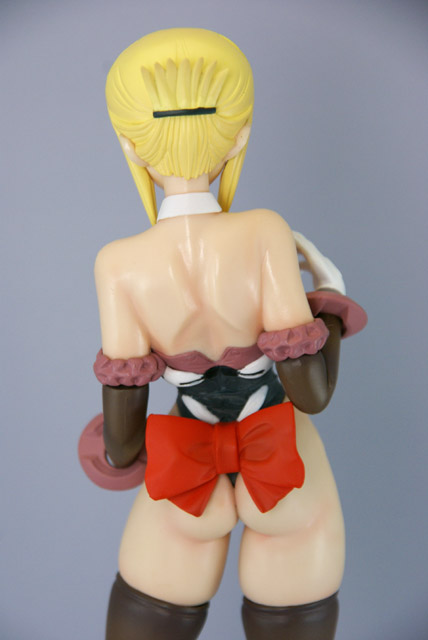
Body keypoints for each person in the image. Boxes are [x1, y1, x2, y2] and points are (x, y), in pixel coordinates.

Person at [80, 28, 367, 640]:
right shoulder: (265, 232)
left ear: (130, 146)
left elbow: (123, 449)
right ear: (240, 135)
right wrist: (331, 302)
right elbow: (313, 394)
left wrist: (111, 449)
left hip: (185, 478)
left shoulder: (117, 264)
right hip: (286, 465)